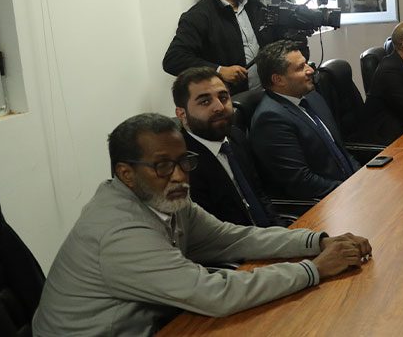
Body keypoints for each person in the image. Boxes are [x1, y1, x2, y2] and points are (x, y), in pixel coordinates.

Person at [32, 113, 372, 336]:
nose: (180, 176)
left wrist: (317, 242)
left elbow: (233, 238)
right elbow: (214, 294)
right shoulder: (119, 233)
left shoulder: (164, 198)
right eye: (163, 166)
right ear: (126, 173)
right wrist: (315, 269)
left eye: (184, 161)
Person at [247, 40, 361, 200]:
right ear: (278, 80)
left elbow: (340, 150)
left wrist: (362, 177)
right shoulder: (270, 119)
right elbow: (302, 182)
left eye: (306, 63)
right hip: (327, 202)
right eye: (301, 67)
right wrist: (350, 190)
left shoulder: (312, 96)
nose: (310, 70)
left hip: (351, 188)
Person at [173, 66, 280, 227]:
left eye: (223, 97)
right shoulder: (183, 165)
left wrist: (281, 230)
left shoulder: (236, 136)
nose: (219, 107)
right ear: (182, 114)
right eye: (205, 102)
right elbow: (208, 232)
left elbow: (259, 195)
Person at [163, 0, 273, 94]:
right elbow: (173, 59)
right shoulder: (199, 16)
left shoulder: (253, 5)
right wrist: (219, 71)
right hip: (232, 101)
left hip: (266, 93)